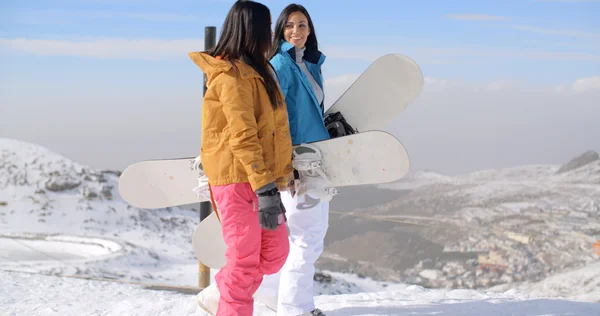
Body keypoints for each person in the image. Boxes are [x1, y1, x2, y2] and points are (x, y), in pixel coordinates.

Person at [189, 1, 294, 315]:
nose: (273, 33)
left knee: (275, 253)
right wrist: (265, 190)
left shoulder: (259, 71)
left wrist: (277, 180)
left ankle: (220, 292)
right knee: (244, 259)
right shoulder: (231, 77)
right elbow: (242, 136)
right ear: (253, 29)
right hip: (237, 179)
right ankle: (230, 304)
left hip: (261, 178)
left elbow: (272, 131)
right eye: (268, 26)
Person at [255, 4, 331, 316]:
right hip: (299, 163)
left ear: (310, 30)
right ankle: (295, 308)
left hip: (313, 158)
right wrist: (288, 164)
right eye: (289, 26)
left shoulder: (308, 64)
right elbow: (276, 121)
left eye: (302, 25)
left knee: (299, 236)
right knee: (308, 238)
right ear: (280, 31)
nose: (296, 31)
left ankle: (274, 298)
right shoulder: (282, 66)